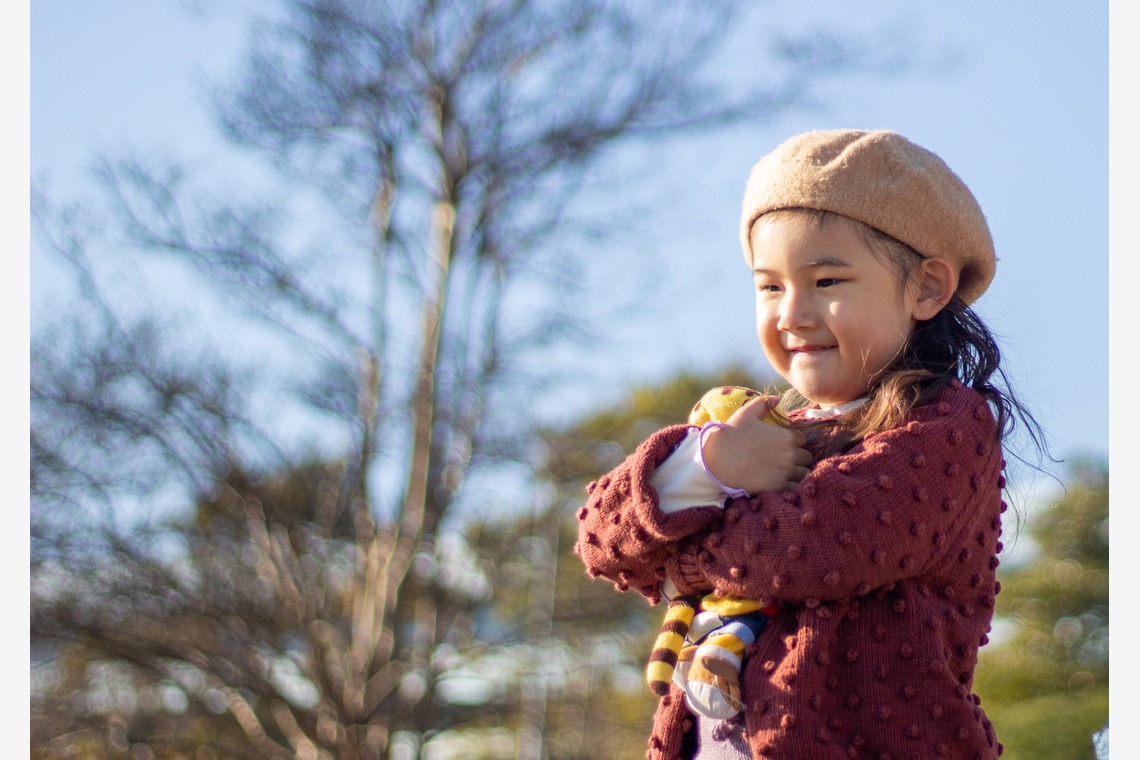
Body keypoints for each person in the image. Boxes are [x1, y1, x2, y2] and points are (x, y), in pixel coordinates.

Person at [574, 129, 1046, 759]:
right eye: (769, 286)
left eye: (826, 282)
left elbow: (817, 545)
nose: (792, 313)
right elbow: (602, 539)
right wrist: (708, 463)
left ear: (927, 288)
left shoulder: (947, 427)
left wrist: (678, 561)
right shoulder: (759, 436)